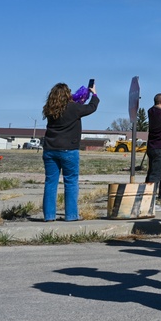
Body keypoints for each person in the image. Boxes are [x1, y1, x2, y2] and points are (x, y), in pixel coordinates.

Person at [41, 82, 99, 221]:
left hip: (50, 149)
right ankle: (71, 215)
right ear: (67, 94)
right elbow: (91, 107)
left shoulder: (49, 109)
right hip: (69, 149)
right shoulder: (73, 108)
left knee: (50, 182)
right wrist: (94, 94)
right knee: (71, 182)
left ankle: (49, 216)